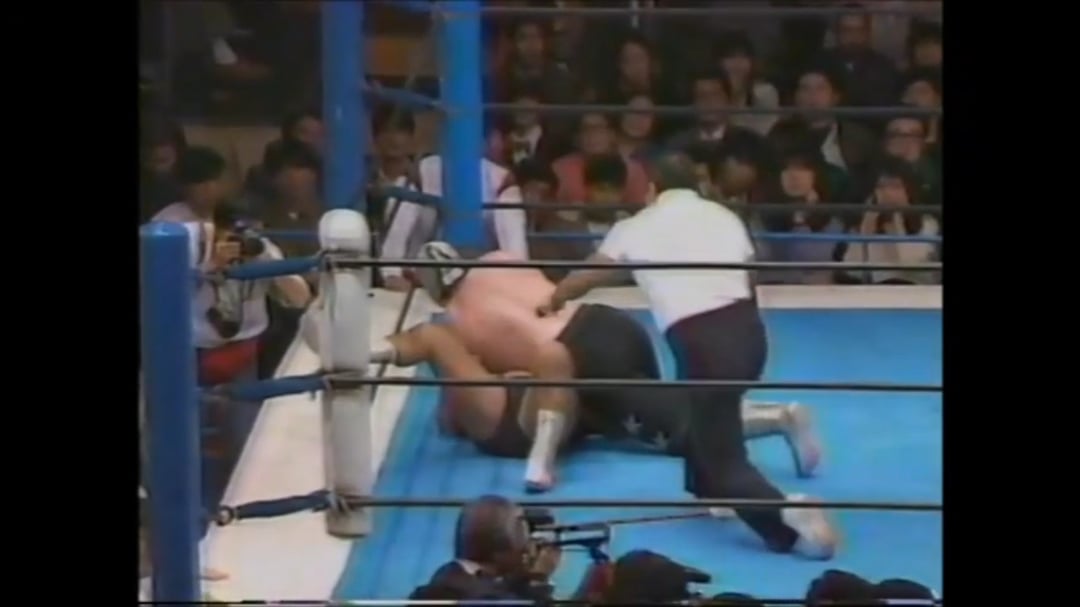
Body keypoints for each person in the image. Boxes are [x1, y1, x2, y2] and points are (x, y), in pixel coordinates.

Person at [303, 243, 822, 492]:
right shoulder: (500, 260)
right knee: (656, 405)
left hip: (574, 356)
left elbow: (501, 377)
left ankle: (773, 419)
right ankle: (768, 417)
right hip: (607, 322)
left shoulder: (458, 319)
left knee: (669, 426)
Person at [538, 152, 839, 559]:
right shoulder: (724, 216)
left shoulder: (636, 226)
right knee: (703, 412)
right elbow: (748, 277)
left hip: (702, 342)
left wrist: (554, 298)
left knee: (724, 458)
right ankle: (705, 487)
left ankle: (786, 522)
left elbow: (590, 274)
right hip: (749, 332)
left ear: (652, 189)